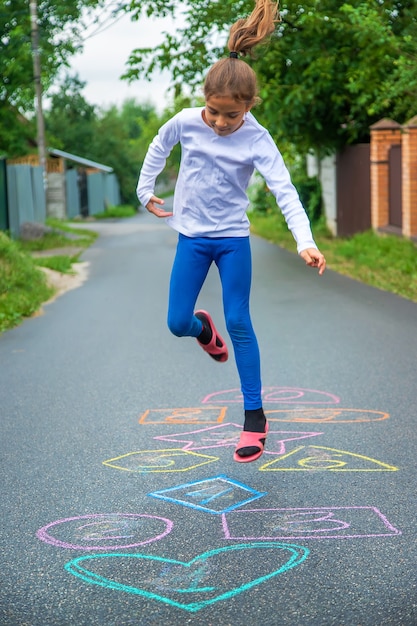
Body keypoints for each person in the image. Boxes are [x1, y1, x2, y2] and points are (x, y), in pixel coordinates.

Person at [136, 0, 326, 463]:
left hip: (233, 240)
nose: (221, 123)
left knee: (240, 320)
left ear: (248, 107)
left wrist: (306, 241)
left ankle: (254, 419)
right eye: (214, 112)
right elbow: (159, 147)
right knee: (177, 323)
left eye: (231, 116)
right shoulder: (185, 121)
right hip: (193, 238)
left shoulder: (257, 138)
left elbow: (284, 190)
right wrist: (145, 192)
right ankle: (203, 329)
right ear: (205, 99)